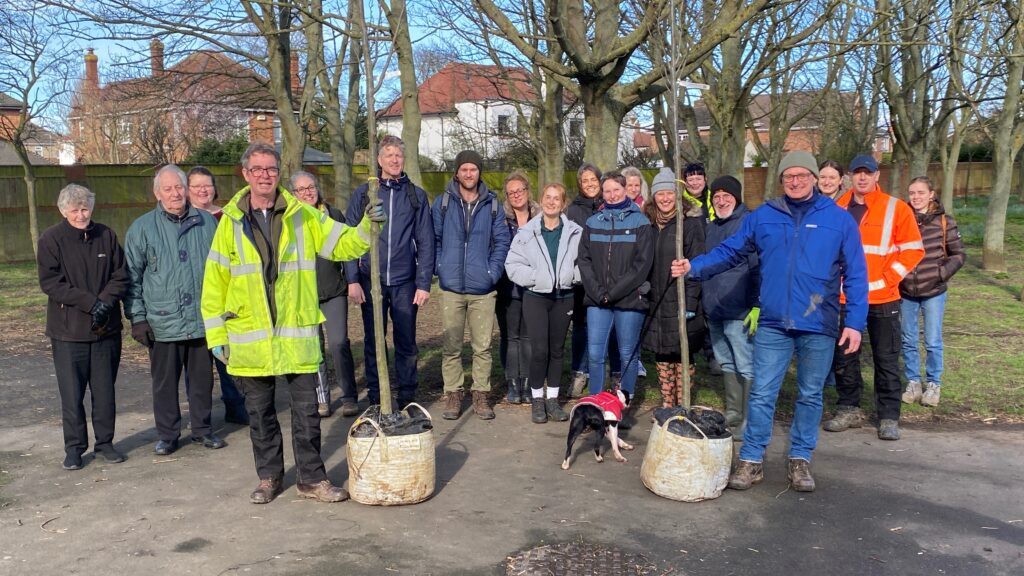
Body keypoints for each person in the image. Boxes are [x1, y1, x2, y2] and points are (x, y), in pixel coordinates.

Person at [201, 142, 384, 505]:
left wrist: (366, 227)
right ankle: (269, 477)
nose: (265, 176)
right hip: (249, 337)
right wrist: (216, 333)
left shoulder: (303, 215)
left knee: (307, 415)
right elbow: (214, 282)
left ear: (278, 173)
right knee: (260, 414)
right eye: (257, 170)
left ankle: (311, 479)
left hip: (296, 335)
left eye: (271, 169)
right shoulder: (230, 223)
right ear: (245, 174)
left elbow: (343, 244)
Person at [675, 151, 868, 492]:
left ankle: (800, 459)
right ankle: (751, 459)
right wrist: (695, 266)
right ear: (782, 180)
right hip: (774, 322)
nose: (795, 181)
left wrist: (853, 322)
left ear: (813, 178)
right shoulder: (764, 216)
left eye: (802, 175)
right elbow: (731, 250)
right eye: (788, 176)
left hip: (818, 322)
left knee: (810, 395)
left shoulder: (838, 220)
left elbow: (855, 274)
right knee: (763, 393)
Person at [125, 165, 224, 456]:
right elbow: (131, 276)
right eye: (167, 189)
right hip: (162, 320)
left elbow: (222, 269)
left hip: (201, 318)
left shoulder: (208, 223)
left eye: (179, 187)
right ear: (157, 194)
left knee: (202, 379)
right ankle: (168, 435)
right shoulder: (142, 228)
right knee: (165, 383)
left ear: (187, 190)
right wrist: (137, 318)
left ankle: (203, 429)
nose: (174, 193)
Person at [824, 154, 924, 441]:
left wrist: (888, 279)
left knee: (886, 358)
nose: (863, 178)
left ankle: (889, 415)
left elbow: (914, 249)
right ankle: (848, 408)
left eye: (868, 173)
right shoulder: (837, 207)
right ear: (850, 177)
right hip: (844, 298)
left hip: (883, 297)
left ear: (877, 175)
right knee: (845, 357)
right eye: (857, 173)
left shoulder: (896, 208)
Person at [37, 184, 130, 470]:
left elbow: (121, 274)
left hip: (106, 330)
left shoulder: (106, 235)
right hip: (68, 331)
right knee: (72, 393)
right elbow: (51, 282)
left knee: (104, 391)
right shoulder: (51, 239)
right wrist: (90, 303)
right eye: (75, 210)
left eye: (85, 208)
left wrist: (105, 302)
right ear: (64, 211)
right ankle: (75, 448)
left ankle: (105, 443)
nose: (81, 214)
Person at [345, 136, 434, 411]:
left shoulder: (415, 195)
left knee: (406, 341)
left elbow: (426, 240)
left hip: (405, 281)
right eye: (389, 155)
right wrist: (352, 280)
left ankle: (407, 396)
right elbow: (349, 238)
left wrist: (424, 283)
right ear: (379, 160)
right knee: (374, 341)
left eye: (399, 155)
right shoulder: (365, 194)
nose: (395, 160)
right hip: (371, 280)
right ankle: (376, 396)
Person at [433, 150, 511, 420]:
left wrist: (492, 272)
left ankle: (480, 394)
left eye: (473, 169)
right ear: (457, 172)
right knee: (451, 346)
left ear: (479, 172)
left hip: (483, 288)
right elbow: (434, 239)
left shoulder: (492, 204)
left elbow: (502, 241)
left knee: (482, 346)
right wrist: (440, 267)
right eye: (464, 169)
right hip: (451, 286)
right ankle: (454, 394)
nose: (469, 174)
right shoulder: (443, 202)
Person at [505, 183, 582, 423]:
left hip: (564, 297)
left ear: (563, 202)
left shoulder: (575, 232)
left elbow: (586, 262)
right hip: (536, 297)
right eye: (547, 197)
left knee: (557, 350)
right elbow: (512, 264)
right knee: (540, 350)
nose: (551, 202)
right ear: (541, 199)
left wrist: (571, 277)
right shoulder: (527, 232)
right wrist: (535, 279)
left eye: (556, 198)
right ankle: (537, 399)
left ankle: (553, 400)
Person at [577, 171, 654, 407]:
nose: (611, 195)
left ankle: (623, 405)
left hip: (629, 299)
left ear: (626, 189)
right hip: (597, 299)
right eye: (607, 191)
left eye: (616, 190)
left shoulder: (640, 222)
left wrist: (614, 292)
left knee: (627, 353)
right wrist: (598, 291)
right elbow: (584, 260)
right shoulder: (593, 222)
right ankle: (596, 405)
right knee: (595, 354)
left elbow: (642, 265)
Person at [291, 171, 358, 418]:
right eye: (301, 189)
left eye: (311, 187)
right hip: (304, 295)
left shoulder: (333, 214)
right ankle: (321, 399)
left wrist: (352, 281)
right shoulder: (290, 221)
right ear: (293, 194)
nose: (308, 192)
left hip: (334, 291)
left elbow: (347, 250)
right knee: (314, 348)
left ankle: (349, 395)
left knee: (339, 343)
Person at [186, 166, 248, 425]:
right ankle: (200, 416)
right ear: (187, 191)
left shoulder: (229, 217)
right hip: (196, 296)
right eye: (196, 186)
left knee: (229, 356)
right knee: (198, 362)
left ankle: (236, 406)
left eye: (207, 185)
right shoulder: (182, 218)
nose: (203, 190)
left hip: (228, 295)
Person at [899, 176, 965, 407]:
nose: (916, 197)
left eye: (920, 192)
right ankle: (913, 382)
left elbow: (958, 255)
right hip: (906, 291)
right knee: (907, 339)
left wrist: (941, 274)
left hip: (934, 291)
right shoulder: (902, 218)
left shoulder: (945, 222)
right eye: (912, 193)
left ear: (931, 194)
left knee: (933, 340)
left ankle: (934, 384)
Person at [701, 175, 759, 438]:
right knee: (726, 361)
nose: (721, 201)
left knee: (745, 362)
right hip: (714, 306)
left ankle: (750, 418)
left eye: (727, 196)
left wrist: (756, 304)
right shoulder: (711, 227)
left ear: (737, 198)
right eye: (717, 197)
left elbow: (758, 266)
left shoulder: (748, 224)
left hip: (739, 308)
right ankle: (734, 412)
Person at [642, 168, 704, 409]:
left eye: (670, 193)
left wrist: (690, 302)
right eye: (660, 194)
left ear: (677, 195)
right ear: (654, 197)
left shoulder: (689, 224)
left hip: (680, 298)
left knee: (682, 355)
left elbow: (697, 263)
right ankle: (668, 403)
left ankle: (683, 405)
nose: (665, 198)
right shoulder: (649, 224)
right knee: (662, 353)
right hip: (656, 298)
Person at [566, 163, 621, 396]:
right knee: (581, 327)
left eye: (593, 180)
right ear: (579, 184)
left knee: (612, 327)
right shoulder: (573, 210)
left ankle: (615, 374)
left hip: (610, 276)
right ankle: (580, 372)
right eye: (584, 180)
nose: (589, 184)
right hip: (583, 277)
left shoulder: (610, 205)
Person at [496, 171, 539, 405]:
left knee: (529, 336)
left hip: (533, 285)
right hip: (507, 286)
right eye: (511, 192)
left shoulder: (541, 216)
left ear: (527, 190)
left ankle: (529, 383)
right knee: (511, 336)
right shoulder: (501, 219)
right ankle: (513, 384)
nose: (516, 195)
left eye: (520, 190)